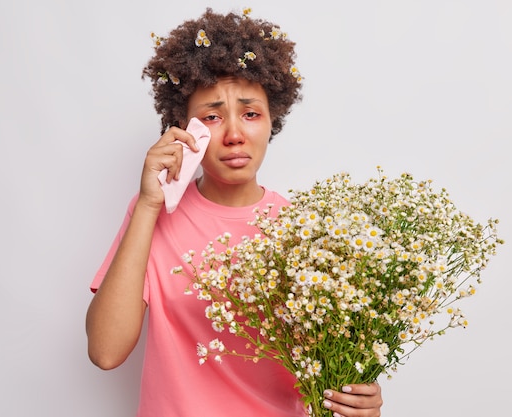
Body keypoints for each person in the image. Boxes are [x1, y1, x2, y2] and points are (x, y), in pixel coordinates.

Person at [85, 7, 384, 417]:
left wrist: (360, 400)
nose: (234, 135)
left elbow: (332, 366)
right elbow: (105, 352)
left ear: (271, 120)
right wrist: (149, 205)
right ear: (186, 130)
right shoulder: (150, 213)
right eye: (211, 116)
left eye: (250, 113)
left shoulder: (308, 231)